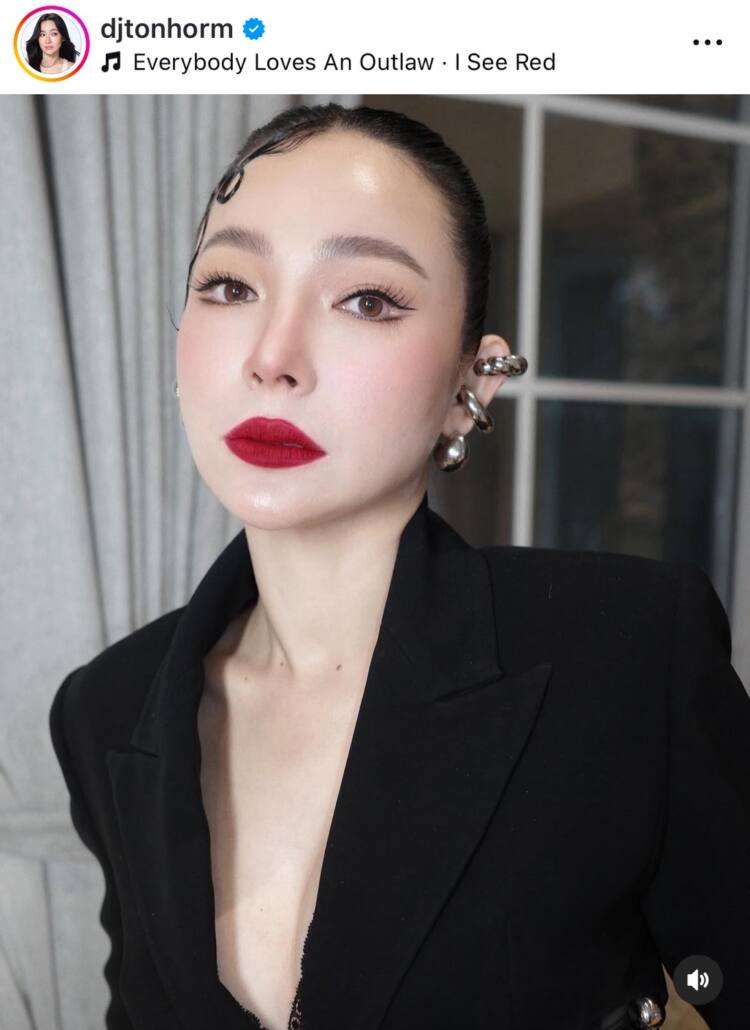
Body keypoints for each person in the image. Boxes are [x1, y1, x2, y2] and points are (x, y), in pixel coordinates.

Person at [49, 103, 750, 1030]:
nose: (272, 358)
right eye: (229, 285)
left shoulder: (627, 654)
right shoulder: (108, 705)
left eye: (367, 300)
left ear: (472, 385)